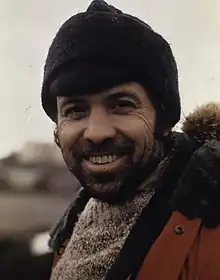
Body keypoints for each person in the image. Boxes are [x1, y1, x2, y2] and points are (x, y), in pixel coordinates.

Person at [41, 0, 220, 279]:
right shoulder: (76, 219)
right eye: (76, 110)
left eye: (121, 104)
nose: (97, 133)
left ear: (163, 119)